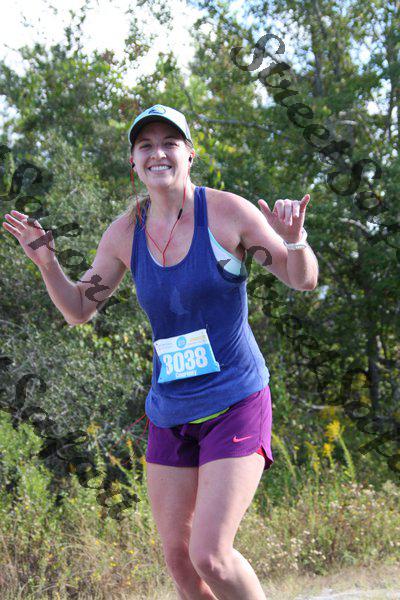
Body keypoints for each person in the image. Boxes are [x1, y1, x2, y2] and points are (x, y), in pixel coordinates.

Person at [2, 104, 318, 600]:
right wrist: (47, 263)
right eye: (145, 145)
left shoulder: (228, 214)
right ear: (133, 161)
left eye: (170, 143)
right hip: (171, 413)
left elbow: (301, 280)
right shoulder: (124, 233)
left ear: (190, 154)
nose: (158, 154)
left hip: (235, 402)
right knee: (180, 561)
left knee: (210, 555)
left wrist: (295, 242)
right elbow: (79, 309)